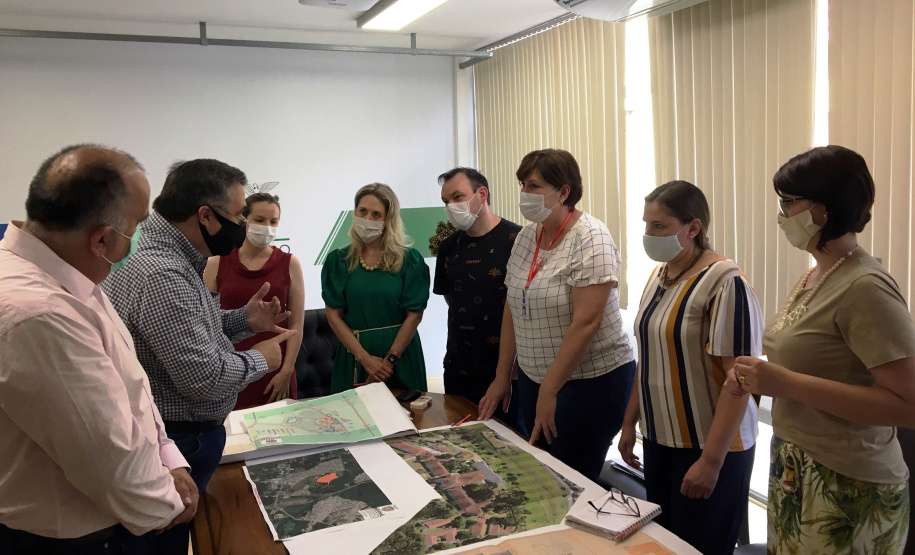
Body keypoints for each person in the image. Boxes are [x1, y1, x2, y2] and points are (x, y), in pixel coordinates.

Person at [0, 145, 196, 554]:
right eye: (140, 224)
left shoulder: (71, 273)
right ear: (103, 239)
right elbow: (110, 460)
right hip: (69, 538)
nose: (141, 236)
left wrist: (168, 456)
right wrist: (170, 504)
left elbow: (131, 385)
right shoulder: (38, 314)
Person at [726, 146, 915, 554]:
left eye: (788, 203)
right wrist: (757, 372)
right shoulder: (818, 272)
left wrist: (788, 384)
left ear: (823, 210)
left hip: (849, 484)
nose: (781, 215)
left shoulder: (865, 286)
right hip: (798, 469)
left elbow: (908, 404)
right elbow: (816, 362)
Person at [102, 158, 296, 550]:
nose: (243, 226)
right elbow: (204, 377)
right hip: (180, 436)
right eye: (240, 215)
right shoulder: (163, 273)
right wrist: (262, 359)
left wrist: (244, 320)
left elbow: (186, 332)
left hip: (172, 434)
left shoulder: (170, 257)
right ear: (206, 216)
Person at [618, 181, 763, 555]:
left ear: (693, 228)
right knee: (665, 544)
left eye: (660, 226)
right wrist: (629, 425)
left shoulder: (725, 282)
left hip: (708, 446)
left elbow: (741, 380)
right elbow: (649, 357)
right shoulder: (659, 276)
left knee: (700, 547)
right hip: (660, 439)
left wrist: (711, 462)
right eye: (646, 225)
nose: (649, 234)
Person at [479, 148, 635, 482]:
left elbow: (587, 322)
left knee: (571, 479)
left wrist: (550, 389)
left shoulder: (591, 237)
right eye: (523, 184)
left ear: (564, 192)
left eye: (534, 186)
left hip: (589, 382)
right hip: (538, 378)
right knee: (543, 472)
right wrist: (502, 375)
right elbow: (512, 305)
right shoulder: (527, 236)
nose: (524, 194)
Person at [433, 167, 524, 431]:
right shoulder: (448, 247)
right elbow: (452, 298)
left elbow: (524, 307)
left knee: (509, 446)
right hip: (459, 366)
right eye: (446, 201)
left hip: (509, 370)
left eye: (458, 196)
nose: (451, 206)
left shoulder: (518, 240)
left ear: (481, 194)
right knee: (461, 445)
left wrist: (507, 372)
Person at [321, 183, 430, 393]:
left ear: (388, 221)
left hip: (401, 356)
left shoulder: (410, 261)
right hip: (355, 356)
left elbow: (414, 315)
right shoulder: (339, 261)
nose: (368, 219)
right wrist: (365, 359)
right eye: (363, 211)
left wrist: (389, 361)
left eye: (376, 214)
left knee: (408, 417)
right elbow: (334, 316)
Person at [204, 192, 305, 408]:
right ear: (244, 220)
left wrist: (286, 370)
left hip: (276, 368)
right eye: (260, 220)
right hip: (230, 369)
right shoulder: (216, 263)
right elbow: (206, 321)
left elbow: (296, 323)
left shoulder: (290, 264)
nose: (267, 227)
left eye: (273, 221)